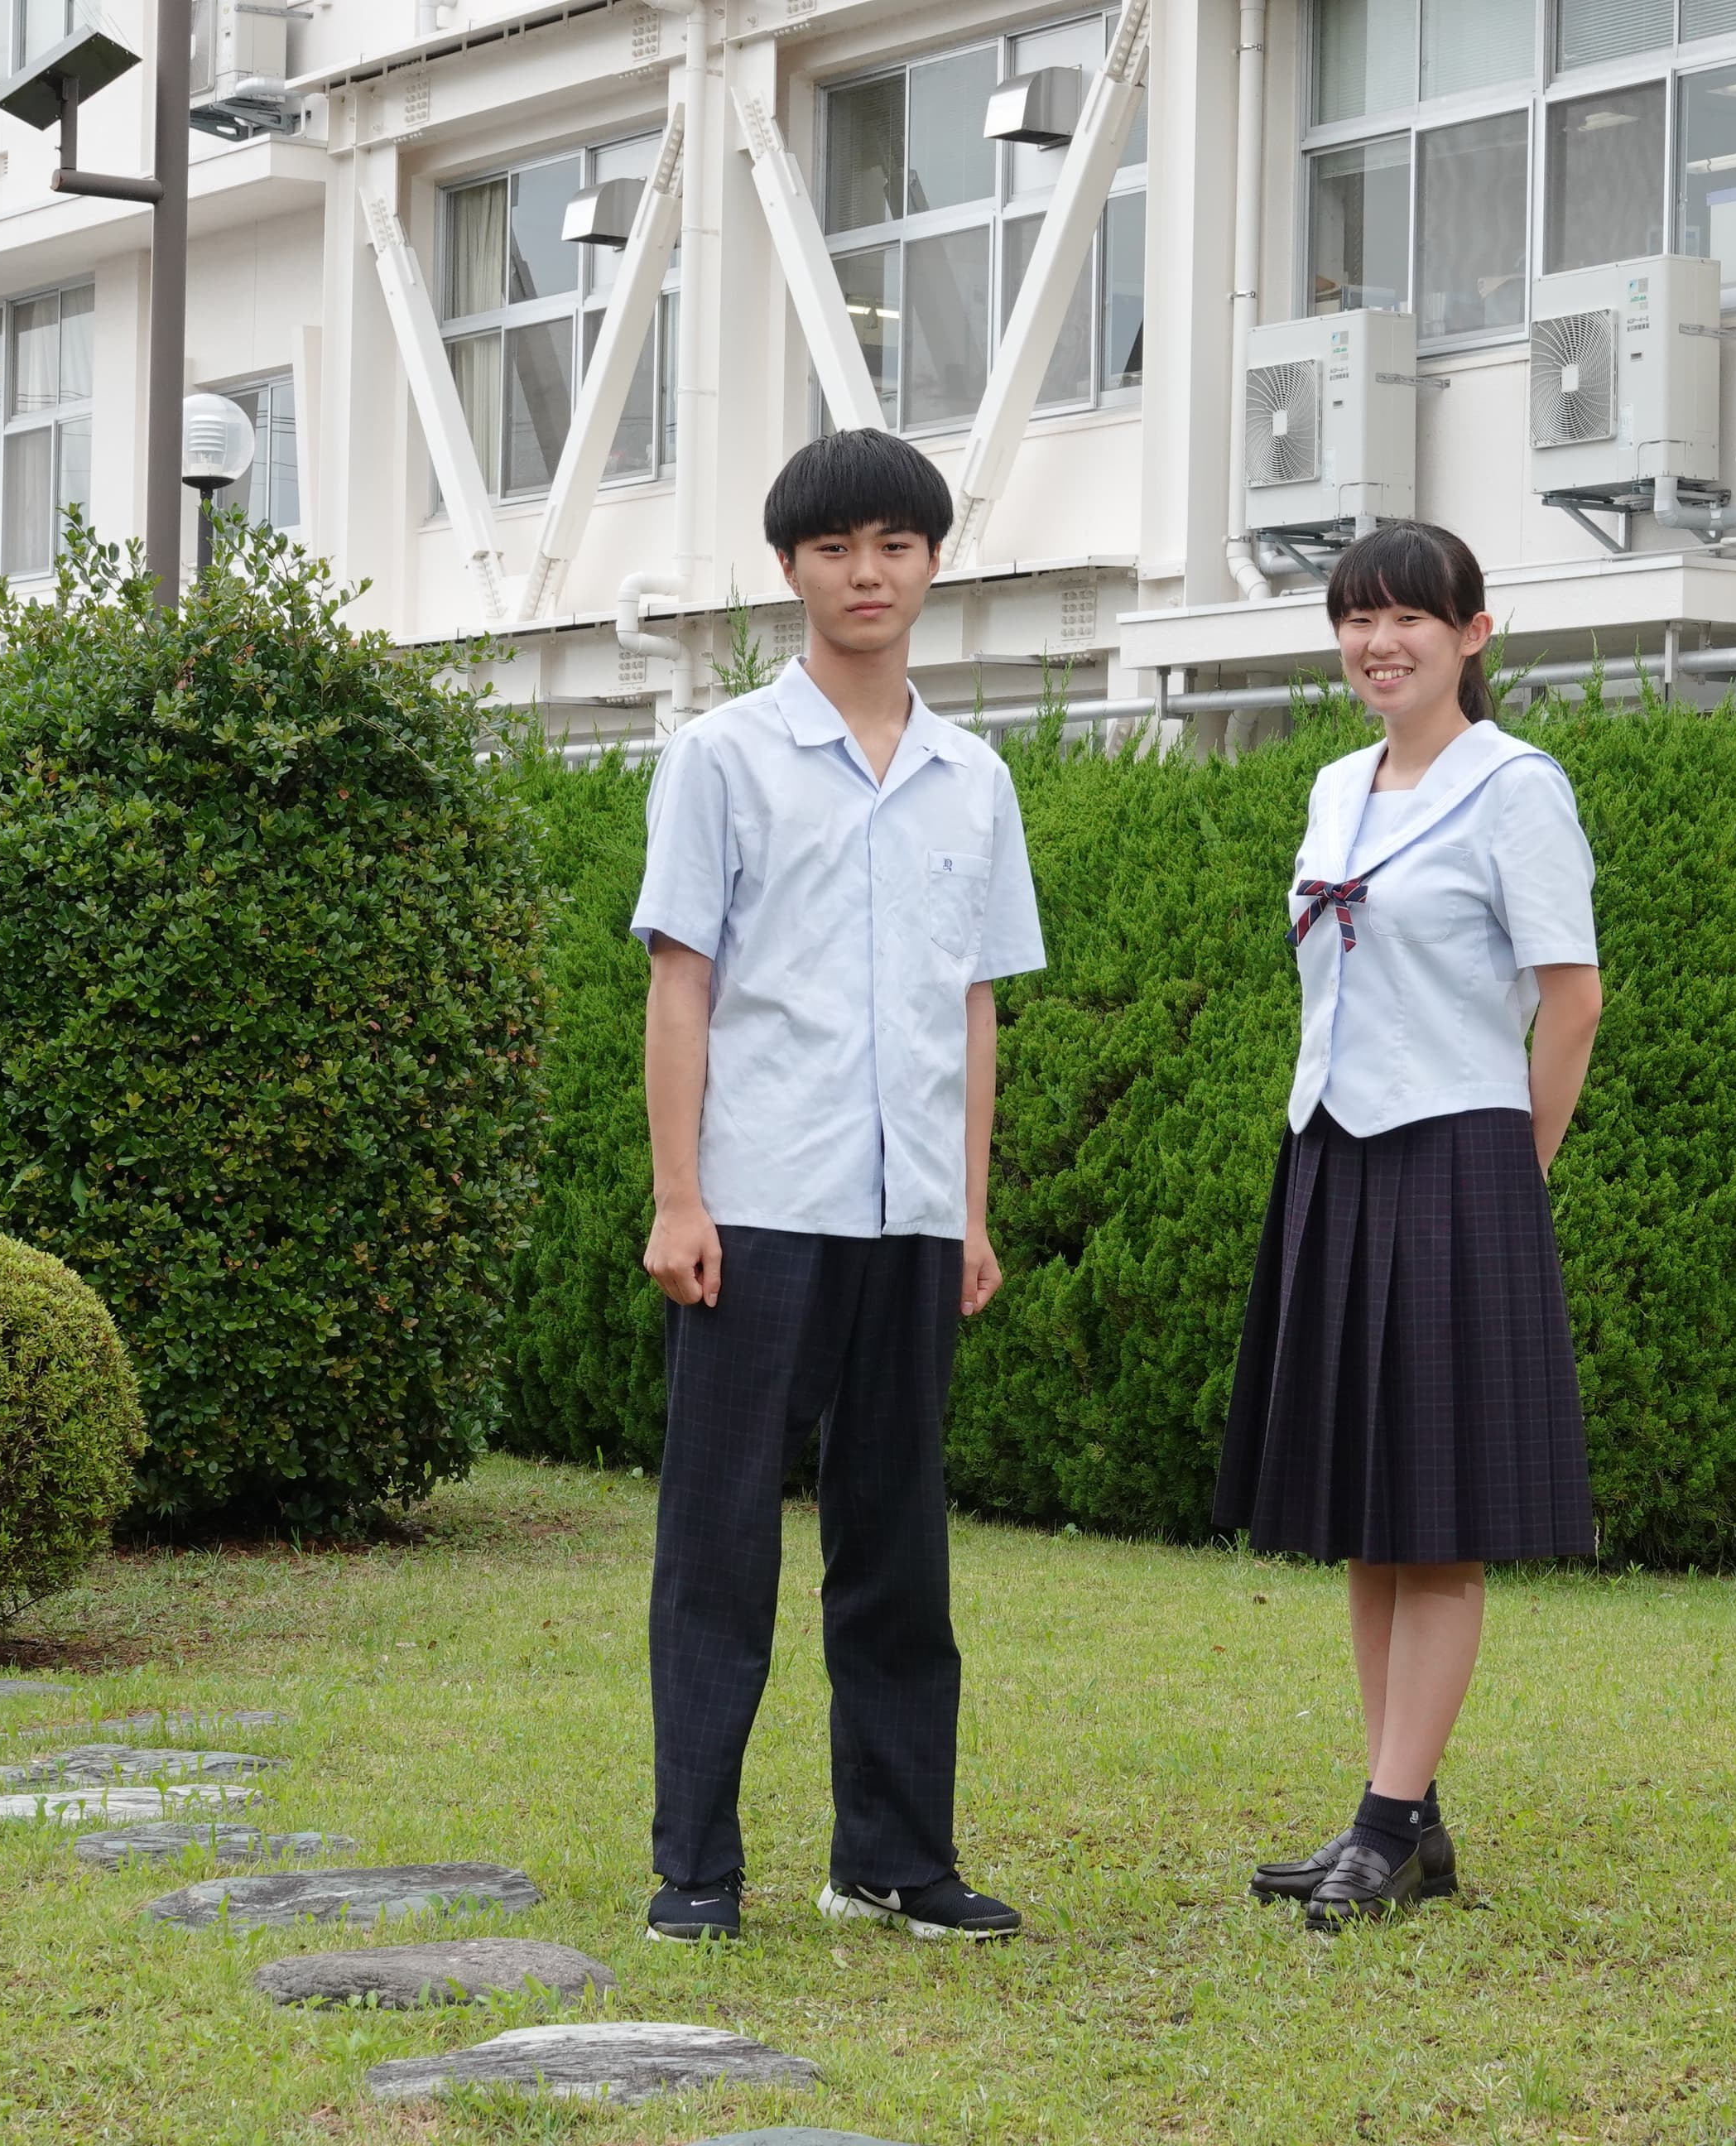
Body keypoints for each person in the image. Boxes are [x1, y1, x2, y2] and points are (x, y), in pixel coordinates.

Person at [627, 429, 1046, 1946]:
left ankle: (893, 1860)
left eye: (895, 546)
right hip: (759, 1208)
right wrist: (681, 1196)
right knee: (721, 1546)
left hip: (911, 1218)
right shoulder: (722, 756)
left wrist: (972, 1210)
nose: (866, 574)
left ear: (934, 562)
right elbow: (683, 985)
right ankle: (695, 1869)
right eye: (834, 550)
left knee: (899, 1550)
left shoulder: (973, 777)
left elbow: (974, 1007)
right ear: (791, 567)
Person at [1216, 519, 1605, 1932]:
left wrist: (1516, 1172)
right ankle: (1403, 1817)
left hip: (1459, 1159)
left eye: (1410, 620)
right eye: (1356, 619)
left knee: (1438, 1526)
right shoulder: (1335, 786)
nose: (1380, 643)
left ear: (1474, 634)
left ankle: (1387, 1827)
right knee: (1371, 1520)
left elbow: (1571, 1001)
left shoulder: (1519, 790)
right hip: (1334, 1156)